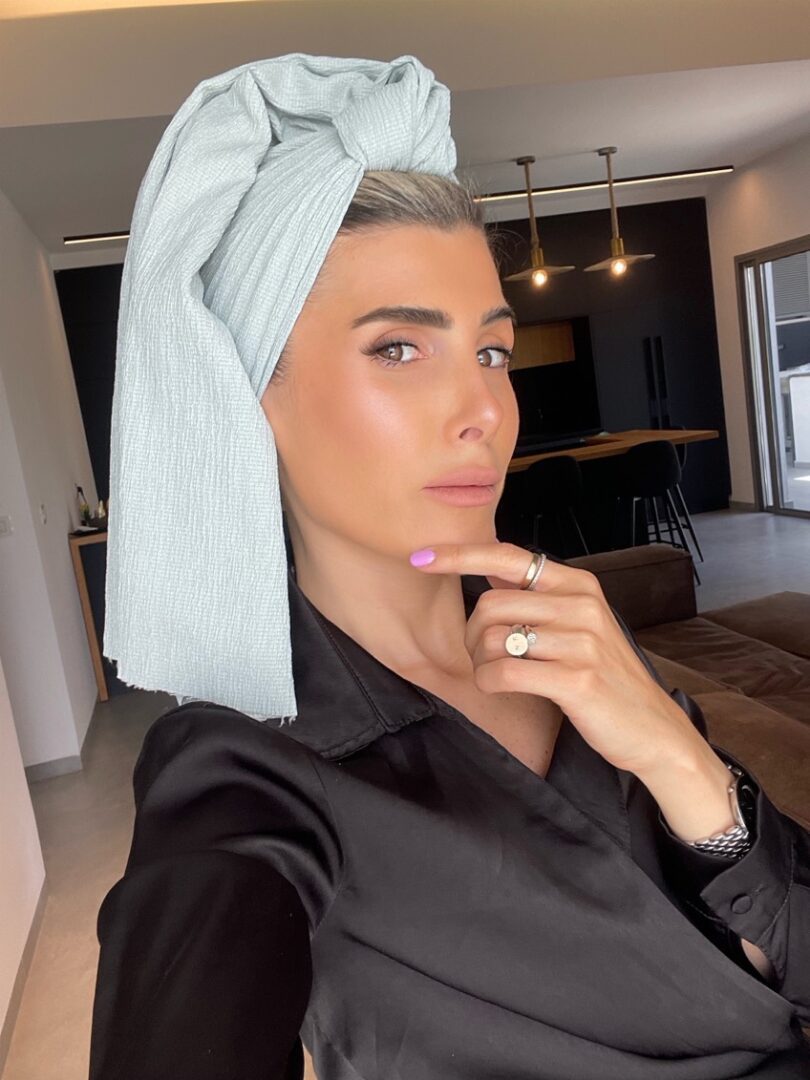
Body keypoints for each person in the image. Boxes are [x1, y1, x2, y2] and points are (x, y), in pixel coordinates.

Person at [90, 55, 810, 1080]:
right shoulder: (244, 772)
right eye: (398, 349)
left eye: (491, 352)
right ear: (247, 399)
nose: (485, 411)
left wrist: (686, 768)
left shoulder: (570, 624)